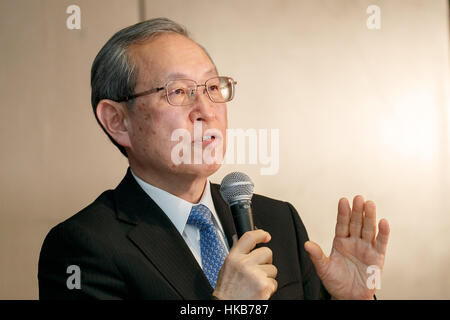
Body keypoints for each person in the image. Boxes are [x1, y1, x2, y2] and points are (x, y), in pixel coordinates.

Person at [38, 18, 390, 300]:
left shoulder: (277, 220)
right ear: (118, 121)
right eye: (177, 92)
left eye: (211, 88)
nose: (206, 109)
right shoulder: (81, 247)